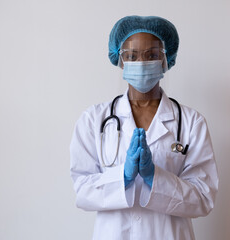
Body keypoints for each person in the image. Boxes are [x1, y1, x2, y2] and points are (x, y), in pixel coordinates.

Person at [70, 15, 218, 240]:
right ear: (120, 60)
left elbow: (203, 198)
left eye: (152, 55)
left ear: (166, 59)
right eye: (132, 55)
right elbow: (83, 191)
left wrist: (155, 177)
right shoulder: (94, 120)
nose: (141, 63)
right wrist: (123, 176)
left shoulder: (191, 122)